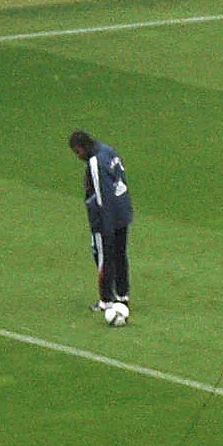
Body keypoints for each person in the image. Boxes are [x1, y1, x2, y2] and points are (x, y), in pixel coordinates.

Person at [68, 130, 133, 317]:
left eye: (77, 152)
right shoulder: (108, 150)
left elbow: (101, 196)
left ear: (81, 148)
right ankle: (122, 295)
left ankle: (106, 300)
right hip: (123, 211)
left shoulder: (94, 162)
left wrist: (104, 225)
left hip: (106, 218)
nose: (78, 156)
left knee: (104, 257)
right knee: (120, 255)